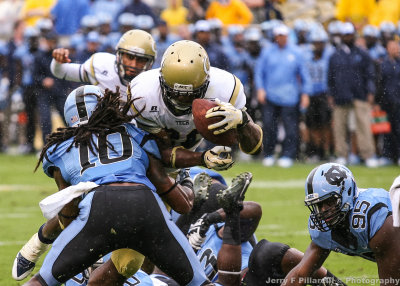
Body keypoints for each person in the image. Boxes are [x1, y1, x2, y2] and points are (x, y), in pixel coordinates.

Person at [21, 85, 212, 286]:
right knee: (200, 283)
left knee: (42, 281)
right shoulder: (133, 132)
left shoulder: (59, 148)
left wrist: (82, 245)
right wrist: (196, 166)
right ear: (105, 107)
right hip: (146, 204)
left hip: (100, 205)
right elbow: (164, 176)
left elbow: (70, 207)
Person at [129, 40, 263, 171]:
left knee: (217, 189)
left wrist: (242, 119)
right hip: (151, 166)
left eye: (190, 94)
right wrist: (202, 158)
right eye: (175, 93)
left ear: (206, 83)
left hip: (185, 163)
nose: (182, 99)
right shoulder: (143, 94)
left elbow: (254, 149)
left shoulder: (226, 88)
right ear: (161, 81)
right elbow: (161, 154)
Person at [282, 162, 400, 285]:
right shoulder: (325, 226)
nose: (323, 211)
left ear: (347, 193)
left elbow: (391, 281)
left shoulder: (376, 217)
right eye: (318, 205)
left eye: (329, 202)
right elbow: (300, 274)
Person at [255, 24, 311, 168]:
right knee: (268, 126)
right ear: (275, 36)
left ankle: (288, 154)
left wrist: (305, 93)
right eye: (279, 35)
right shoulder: (267, 52)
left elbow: (304, 74)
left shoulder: (296, 52)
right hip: (270, 95)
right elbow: (259, 72)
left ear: (287, 36)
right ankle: (269, 153)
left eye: (284, 35)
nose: (281, 38)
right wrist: (260, 89)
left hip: (290, 96)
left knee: (290, 127)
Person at [50, 29, 156, 99]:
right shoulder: (102, 65)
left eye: (141, 60)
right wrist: (58, 62)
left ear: (149, 62)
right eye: (130, 57)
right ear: (119, 55)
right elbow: (61, 72)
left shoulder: (153, 85)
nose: (133, 64)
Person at [327, 22, 379, 167]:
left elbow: (369, 74)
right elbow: (330, 77)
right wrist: (331, 94)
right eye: (345, 35)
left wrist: (370, 91)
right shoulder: (335, 55)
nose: (348, 37)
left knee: (363, 126)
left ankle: (367, 154)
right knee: (339, 127)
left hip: (359, 94)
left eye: (350, 34)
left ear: (353, 35)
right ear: (342, 36)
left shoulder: (362, 54)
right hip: (340, 95)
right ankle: (342, 155)